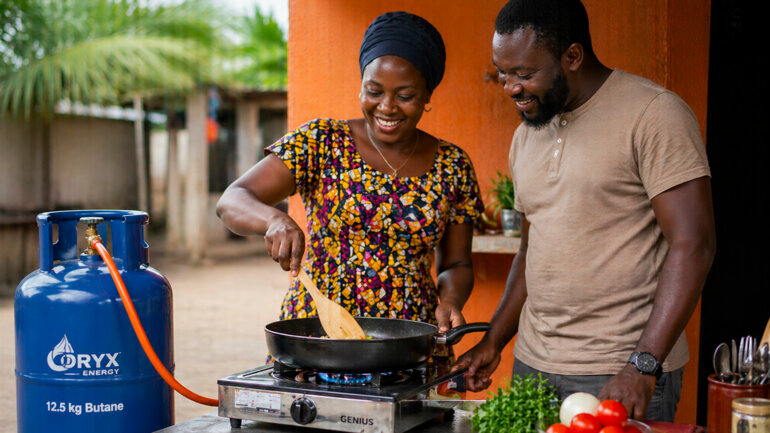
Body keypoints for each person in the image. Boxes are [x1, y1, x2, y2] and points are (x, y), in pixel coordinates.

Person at [453, 0, 716, 421]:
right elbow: (530, 249)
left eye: (524, 74)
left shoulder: (653, 114)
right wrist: (494, 340)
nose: (510, 87)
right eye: (504, 73)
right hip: (533, 366)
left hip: (619, 372)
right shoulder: (526, 135)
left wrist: (642, 364)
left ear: (572, 57)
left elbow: (694, 243)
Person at [216, 12, 484, 353]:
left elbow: (456, 264)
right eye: (374, 91)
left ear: (427, 95)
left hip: (408, 341)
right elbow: (231, 200)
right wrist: (274, 219)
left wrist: (451, 300)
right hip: (320, 332)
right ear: (361, 85)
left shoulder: (453, 165)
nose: (386, 107)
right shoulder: (322, 140)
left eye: (405, 96)